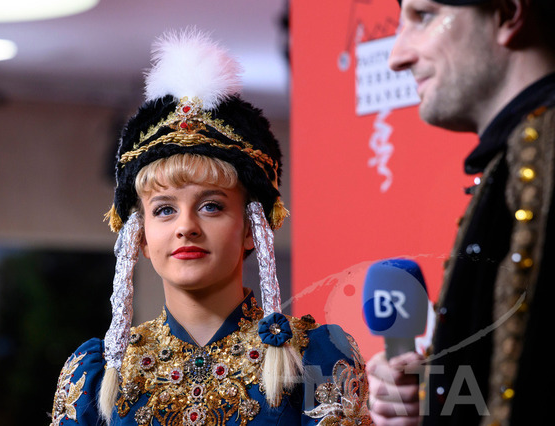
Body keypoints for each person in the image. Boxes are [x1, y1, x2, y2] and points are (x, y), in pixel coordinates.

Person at [48, 29, 373, 426]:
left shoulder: (313, 359)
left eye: (211, 206)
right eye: (164, 210)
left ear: (252, 228)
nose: (186, 227)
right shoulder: (96, 377)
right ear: (140, 236)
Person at [367, 0, 555, 425]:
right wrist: (437, 397)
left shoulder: (541, 151)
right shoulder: (510, 161)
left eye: (424, 15)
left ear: (507, 14)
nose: (397, 57)